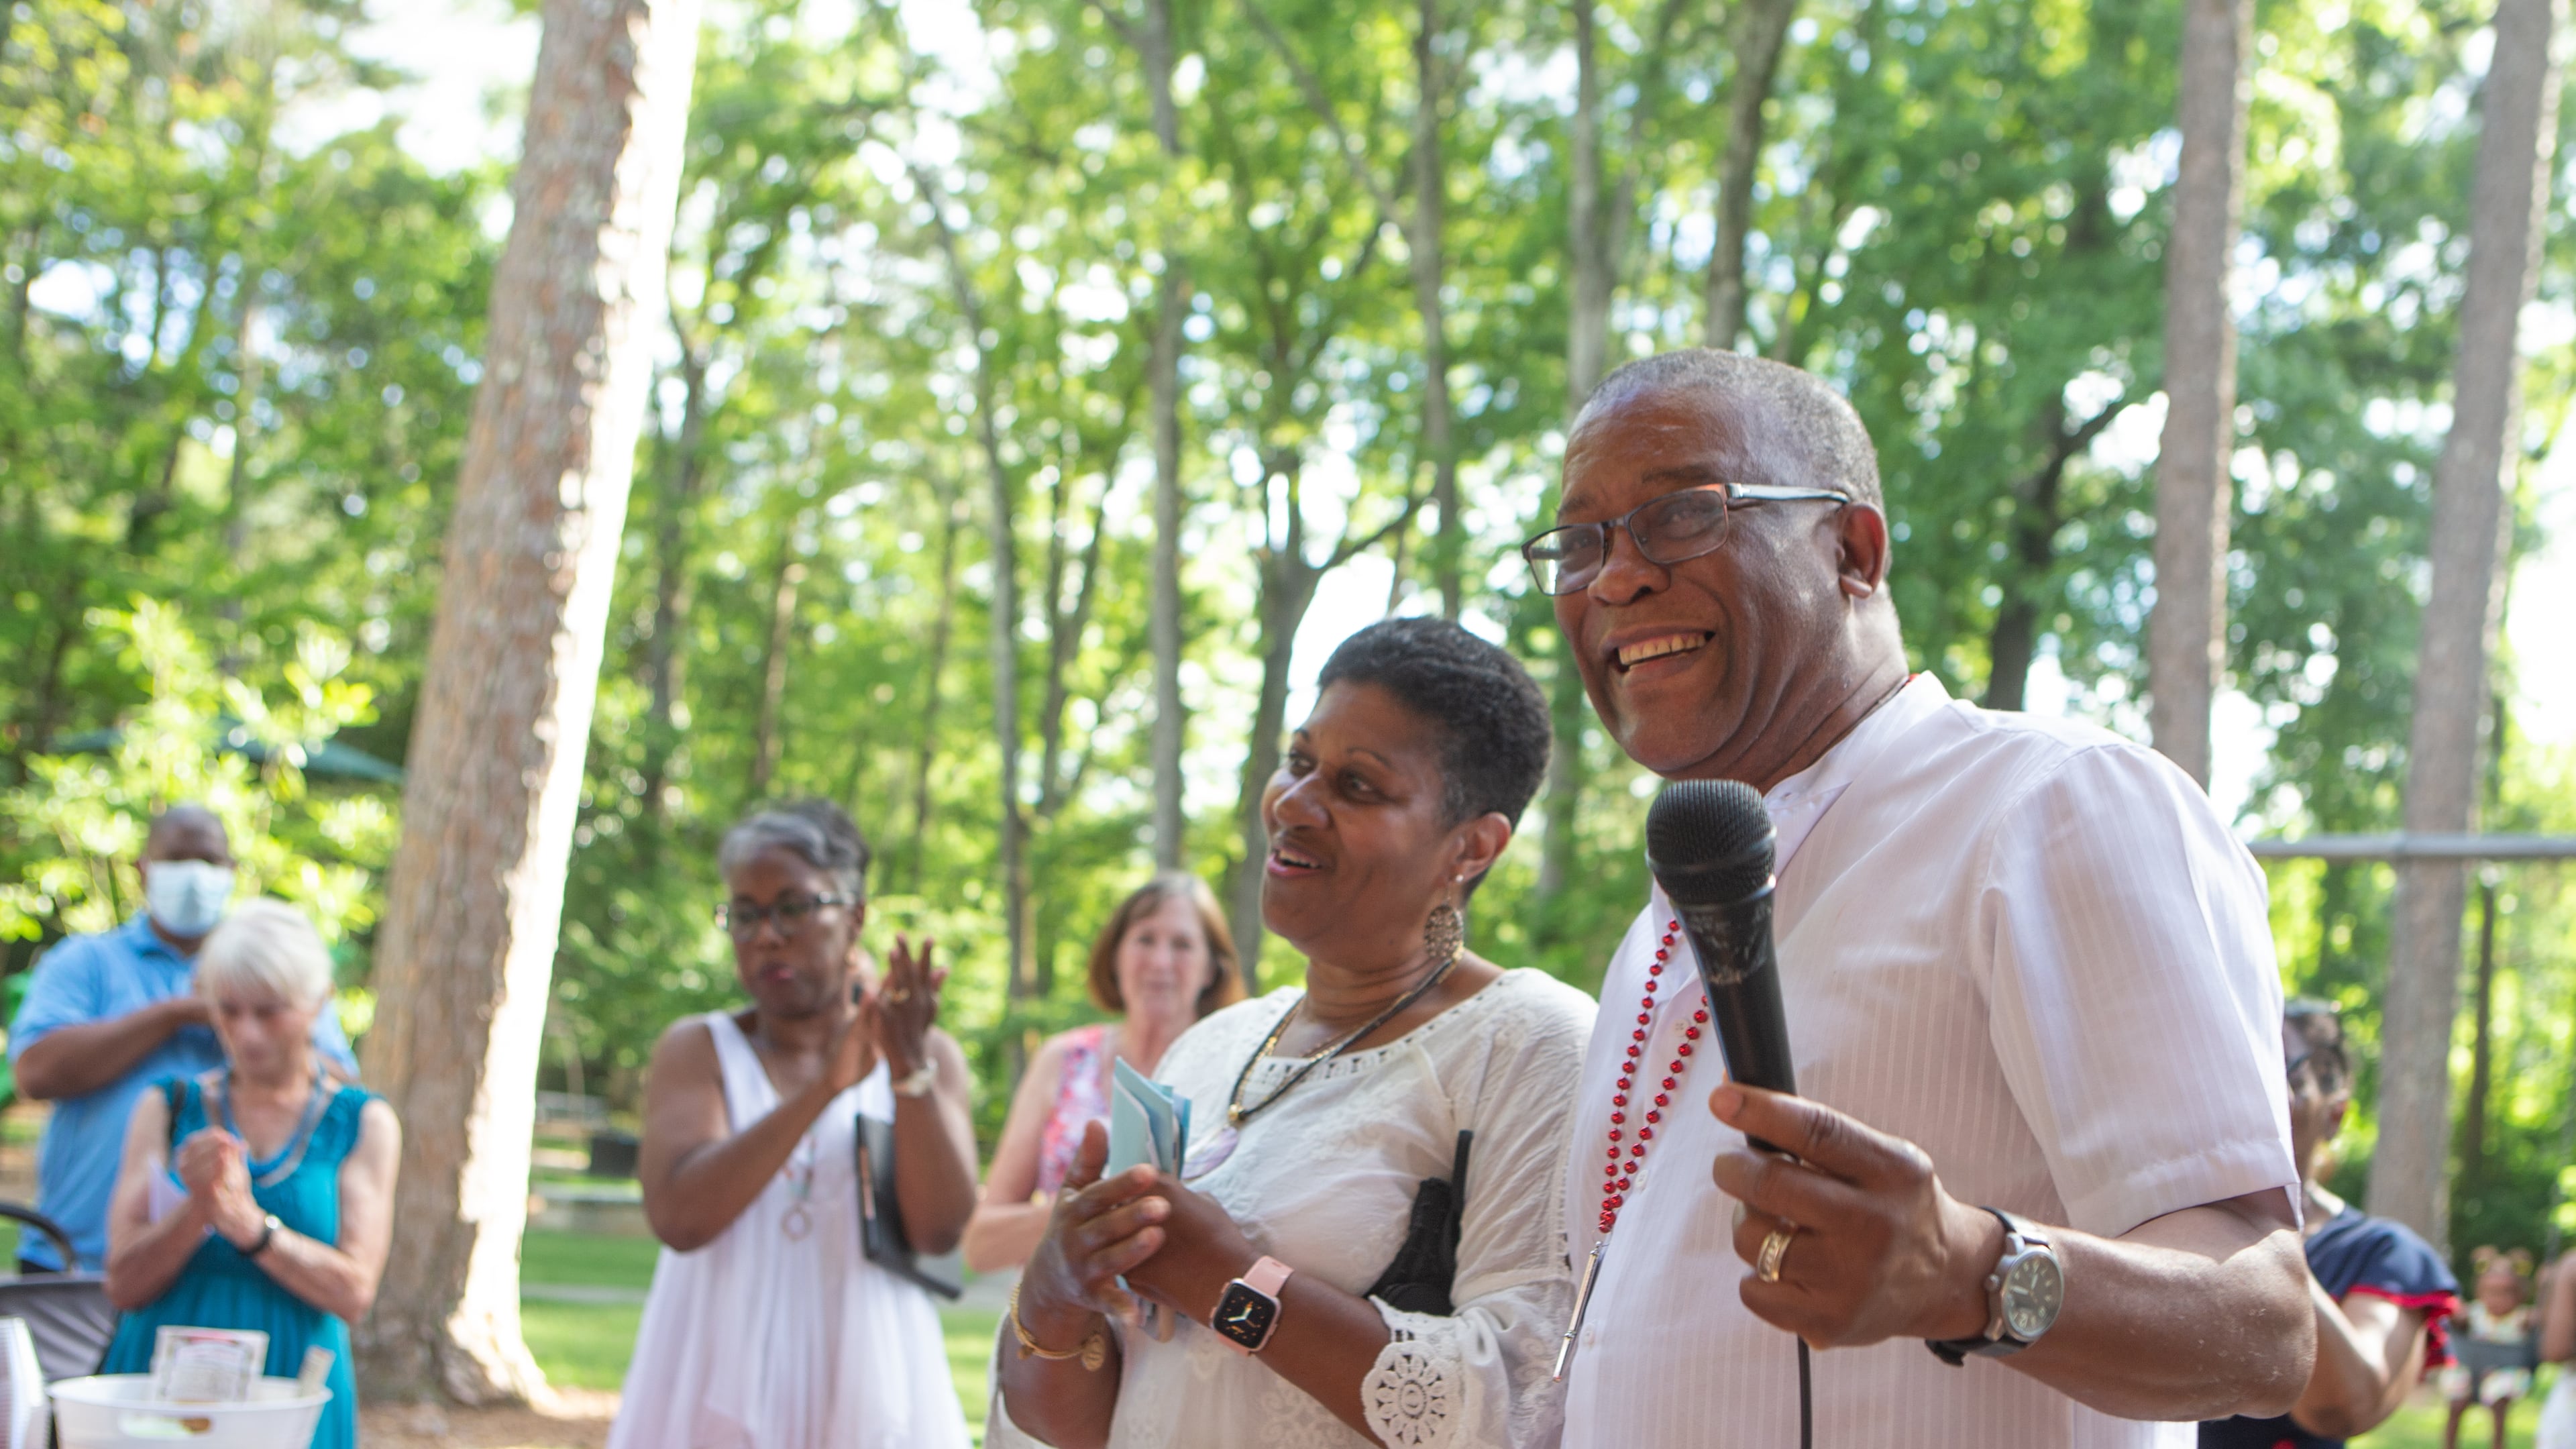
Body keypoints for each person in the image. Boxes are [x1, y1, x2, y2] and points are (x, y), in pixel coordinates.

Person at [1536, 349, 2314, 1447]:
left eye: (1680, 516)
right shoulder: (1668, 917)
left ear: (1852, 552)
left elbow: (2265, 1326)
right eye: (1580, 542)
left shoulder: (2054, 806)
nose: (1615, 577)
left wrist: (1971, 1271)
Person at [992, 617, 1595, 1449]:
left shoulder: (1529, 1043)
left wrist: (1226, 1282)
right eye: (1300, 762)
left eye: (1358, 787)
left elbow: (1523, 1404)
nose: (1296, 804)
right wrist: (1056, 1287)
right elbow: (1081, 1423)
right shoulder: (1210, 1048)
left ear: (1473, 846)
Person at [609, 799, 977, 1449]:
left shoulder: (926, 1055)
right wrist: (824, 1089)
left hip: (872, 1381)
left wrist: (908, 1066)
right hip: (712, 1375)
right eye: (745, 914)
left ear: (854, 916)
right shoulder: (698, 1050)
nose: (767, 935)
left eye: (793, 907)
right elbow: (678, 1218)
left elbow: (940, 1231)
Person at [98, 900, 398, 1449]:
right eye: (229, 1011)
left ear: (317, 1003)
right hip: (162, 1383)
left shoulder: (362, 1121)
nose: (248, 1033)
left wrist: (251, 1227)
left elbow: (354, 1293)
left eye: (269, 1011)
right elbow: (123, 1283)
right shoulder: (167, 1107)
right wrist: (198, 1209)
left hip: (292, 1381)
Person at [8, 804, 357, 1273]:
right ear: (142, 869)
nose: (193, 875)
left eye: (208, 861)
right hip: (77, 1262)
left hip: (225, 1273)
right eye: (176, 859)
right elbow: (36, 1073)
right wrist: (176, 1014)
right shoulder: (84, 962)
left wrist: (236, 1018)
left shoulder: (276, 971)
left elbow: (343, 1097)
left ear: (232, 872)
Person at [2203, 999, 2457, 1447]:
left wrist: (2261, 1220)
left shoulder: (2383, 1253)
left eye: (2279, 1068)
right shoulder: (2163, 1223)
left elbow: (2341, 1407)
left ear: (2335, 1114)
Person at [963, 873, 1244, 1273]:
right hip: (1056, 1325)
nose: (1161, 961)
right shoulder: (1064, 1060)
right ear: (1115, 956)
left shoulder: (1232, 1075)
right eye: (1145, 939)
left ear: (1211, 970)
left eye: (1182, 944)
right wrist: (1088, 1211)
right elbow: (981, 1247)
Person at [2441, 1247, 2532, 1449]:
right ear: (2480, 1292)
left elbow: (2540, 1326)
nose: (2497, 1300)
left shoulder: (2521, 1317)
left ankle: (2497, 1445)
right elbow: (2457, 1322)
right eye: (2491, 1293)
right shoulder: (2475, 1313)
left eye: (2505, 1294)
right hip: (2468, 1371)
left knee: (2498, 1405)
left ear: (2519, 1295)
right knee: (2456, 1405)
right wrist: (2456, 1315)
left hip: (2503, 1374)